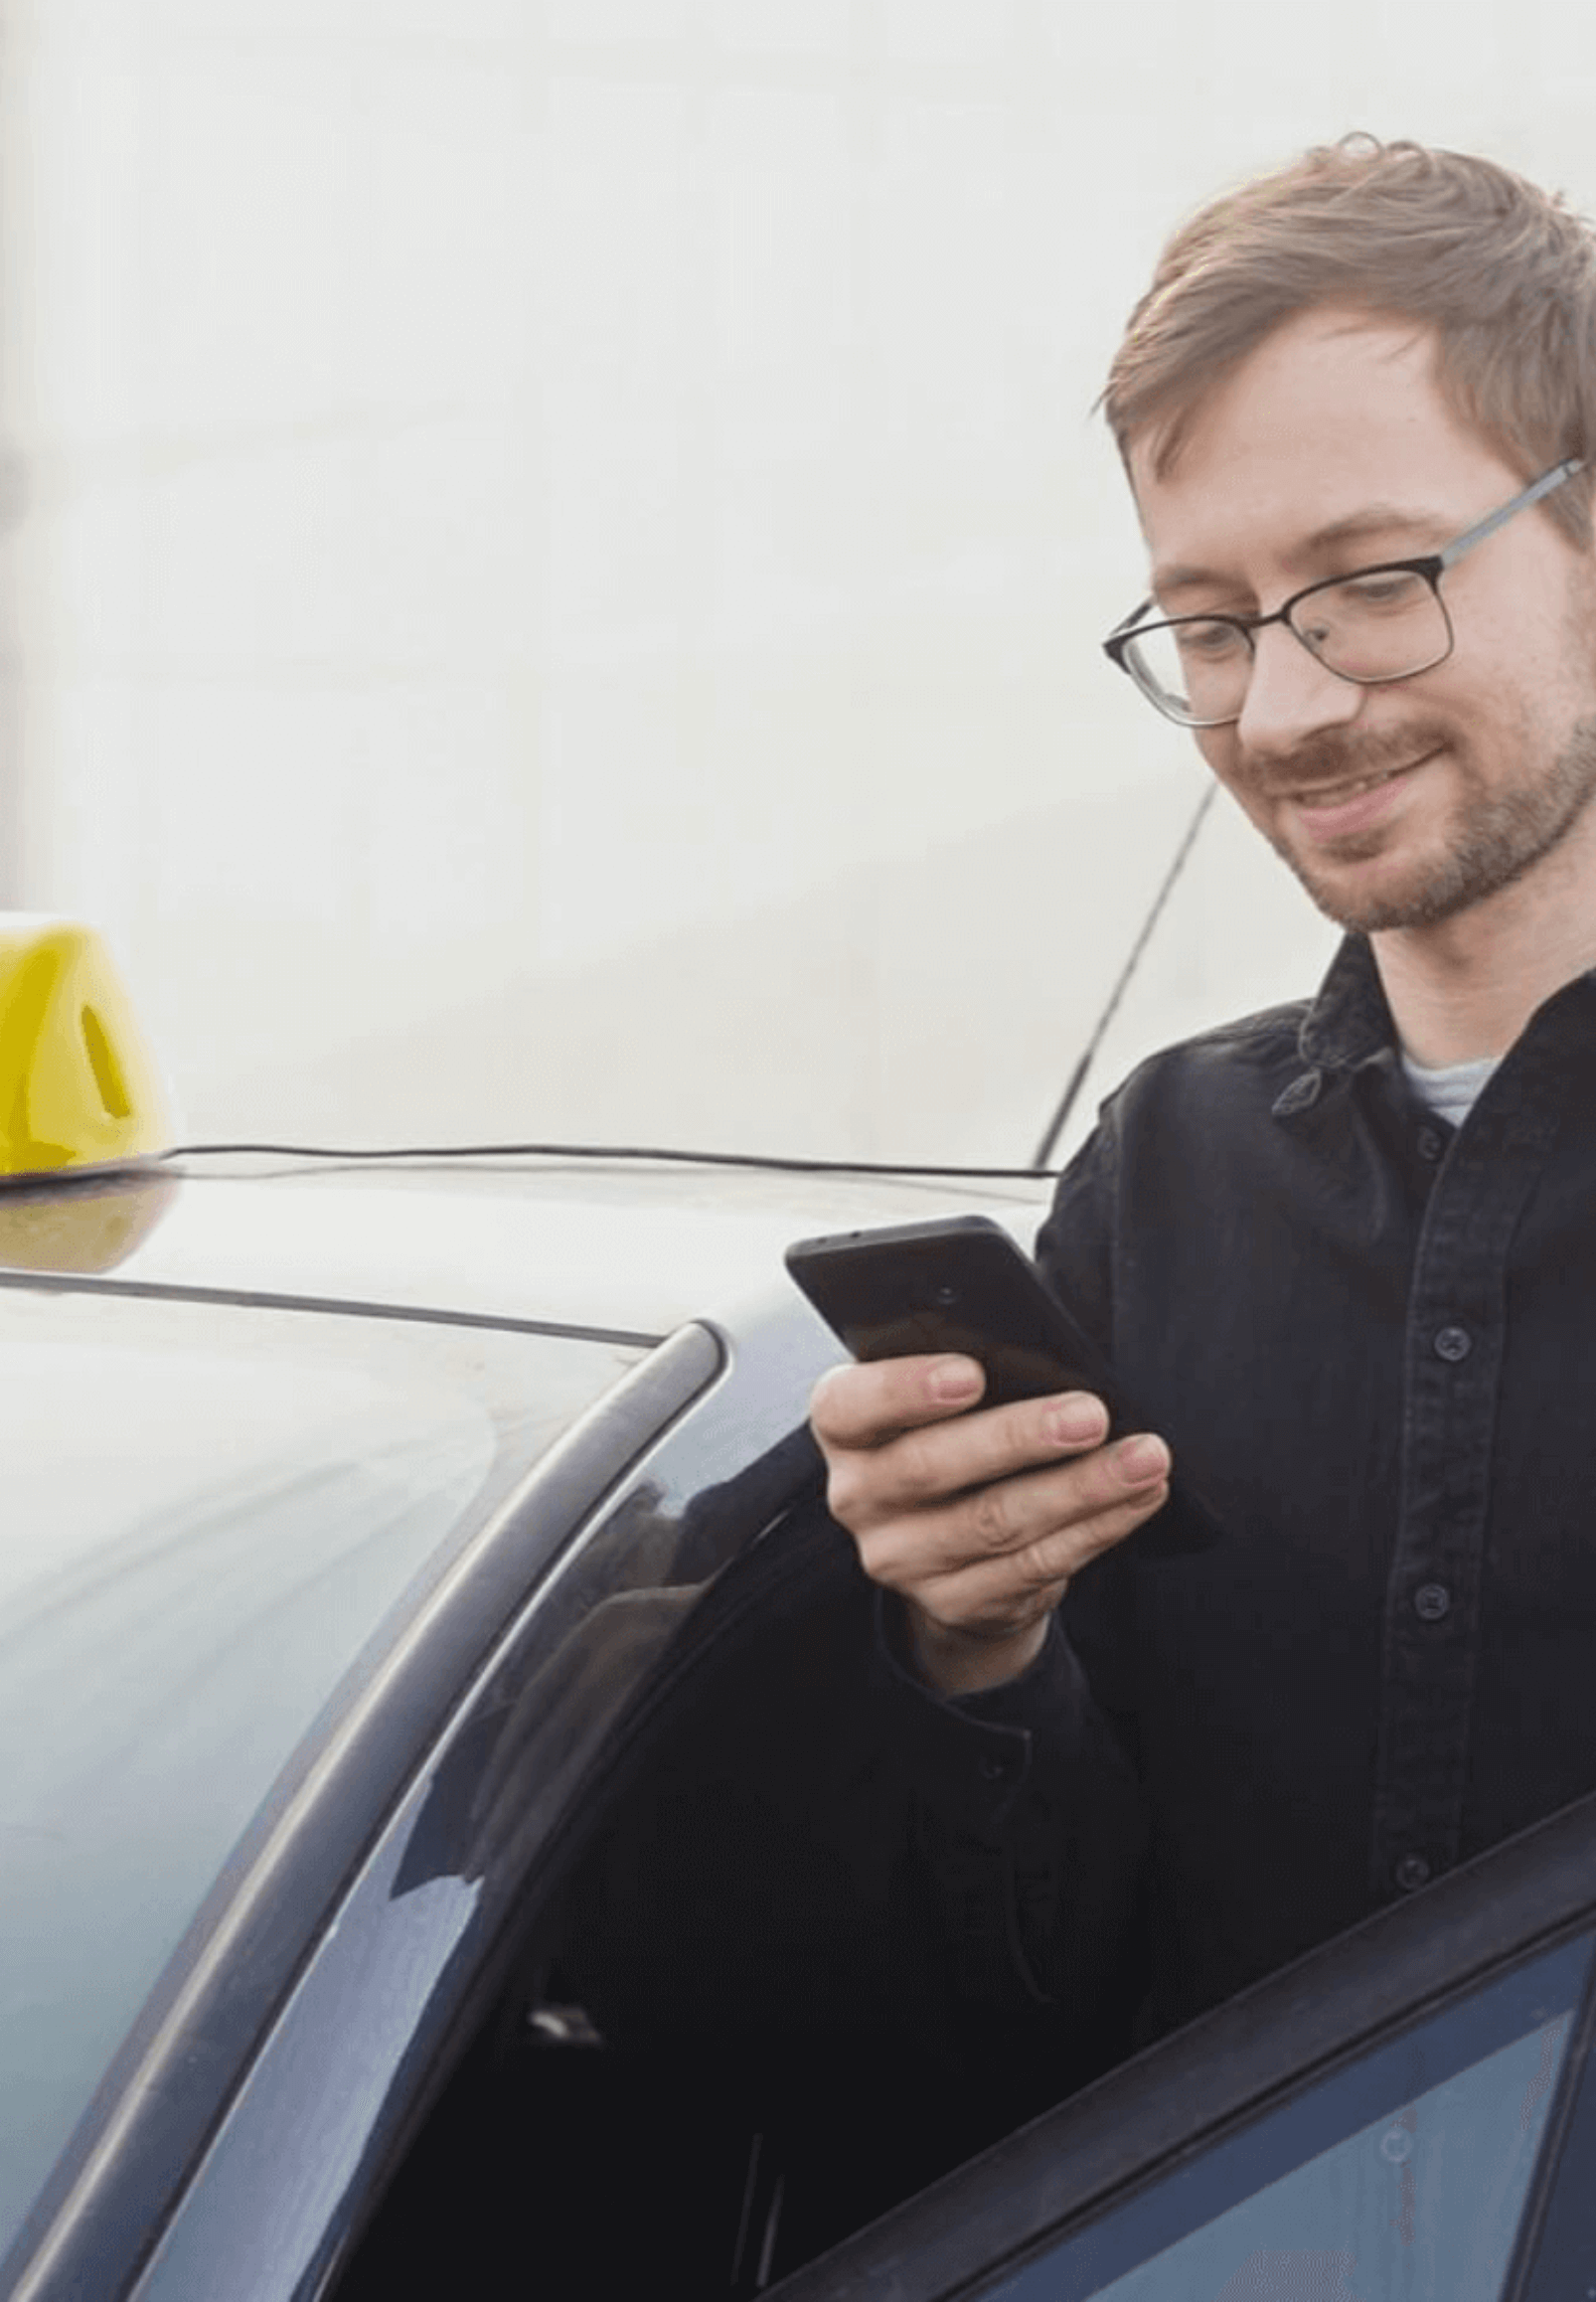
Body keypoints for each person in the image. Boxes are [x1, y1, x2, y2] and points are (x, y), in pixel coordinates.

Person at [552, 132, 1596, 2284]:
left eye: (1371, 578)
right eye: (1206, 624)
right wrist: (969, 1648)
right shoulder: (1157, 1177)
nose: (1281, 708)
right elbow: (1011, 2020)